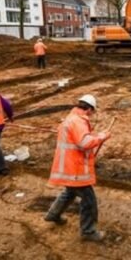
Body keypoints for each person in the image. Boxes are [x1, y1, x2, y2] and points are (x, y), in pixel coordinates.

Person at [45, 94, 111, 242]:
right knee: (89, 201)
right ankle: (88, 231)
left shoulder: (71, 118)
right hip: (74, 169)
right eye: (92, 112)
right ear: (89, 109)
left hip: (68, 166)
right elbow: (84, 142)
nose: (92, 115)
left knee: (69, 192)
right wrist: (101, 136)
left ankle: (53, 214)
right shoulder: (78, 121)